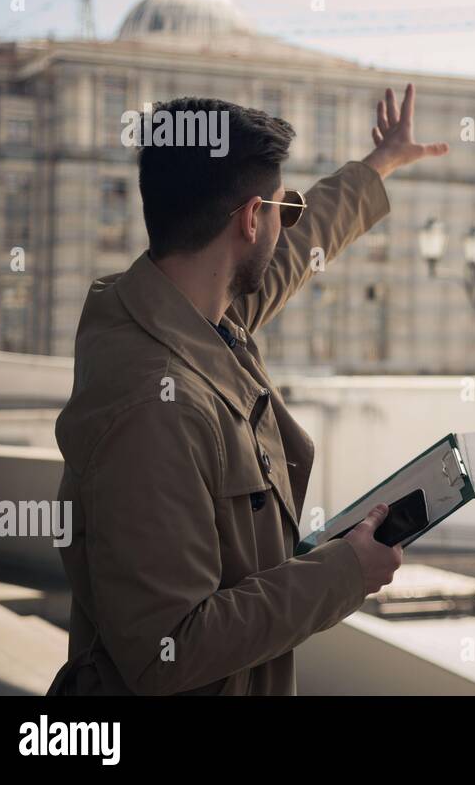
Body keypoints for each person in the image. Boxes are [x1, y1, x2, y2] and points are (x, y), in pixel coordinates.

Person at [49, 85, 448, 695]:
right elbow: (168, 652)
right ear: (249, 219)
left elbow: (301, 245)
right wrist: (345, 572)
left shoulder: (190, 315)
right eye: (280, 212)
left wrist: (380, 165)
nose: (286, 227)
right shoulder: (154, 407)